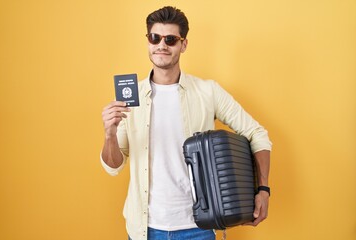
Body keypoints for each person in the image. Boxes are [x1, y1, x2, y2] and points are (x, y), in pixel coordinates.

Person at [101, 6, 272, 240]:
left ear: (183, 44)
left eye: (170, 40)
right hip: (145, 229)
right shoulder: (131, 98)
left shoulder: (208, 91)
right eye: (155, 38)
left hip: (198, 227)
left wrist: (263, 190)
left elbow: (257, 133)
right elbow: (113, 166)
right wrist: (110, 134)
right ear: (148, 42)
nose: (162, 45)